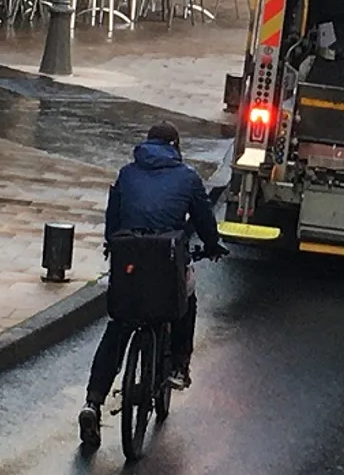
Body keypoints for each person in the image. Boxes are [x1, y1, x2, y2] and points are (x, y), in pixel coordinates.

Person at [78, 121, 227, 448]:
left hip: (128, 260)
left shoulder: (126, 174)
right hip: (166, 263)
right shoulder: (188, 177)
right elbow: (203, 220)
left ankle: (92, 402)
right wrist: (213, 246)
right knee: (186, 300)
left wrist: (113, 245)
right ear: (175, 146)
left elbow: (113, 219)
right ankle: (178, 366)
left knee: (118, 327)